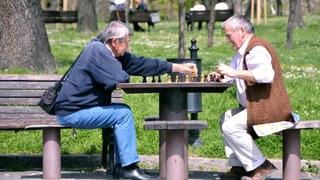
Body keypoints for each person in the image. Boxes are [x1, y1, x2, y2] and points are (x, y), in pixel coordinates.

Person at [55, 21, 197, 180]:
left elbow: (141, 64)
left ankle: (120, 167)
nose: (128, 47)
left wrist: (176, 67)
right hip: (72, 112)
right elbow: (120, 78)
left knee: (122, 111)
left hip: (82, 108)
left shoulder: (109, 52)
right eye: (127, 43)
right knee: (123, 114)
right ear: (114, 42)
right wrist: (122, 67)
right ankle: (128, 168)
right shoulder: (97, 51)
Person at [211, 15, 294, 179]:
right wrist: (221, 76)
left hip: (271, 108)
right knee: (225, 118)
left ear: (241, 31)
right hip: (256, 107)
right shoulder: (242, 51)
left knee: (231, 126)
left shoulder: (256, 49)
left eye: (228, 35)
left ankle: (262, 165)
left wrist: (233, 72)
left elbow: (266, 75)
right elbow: (234, 75)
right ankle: (240, 165)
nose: (228, 39)